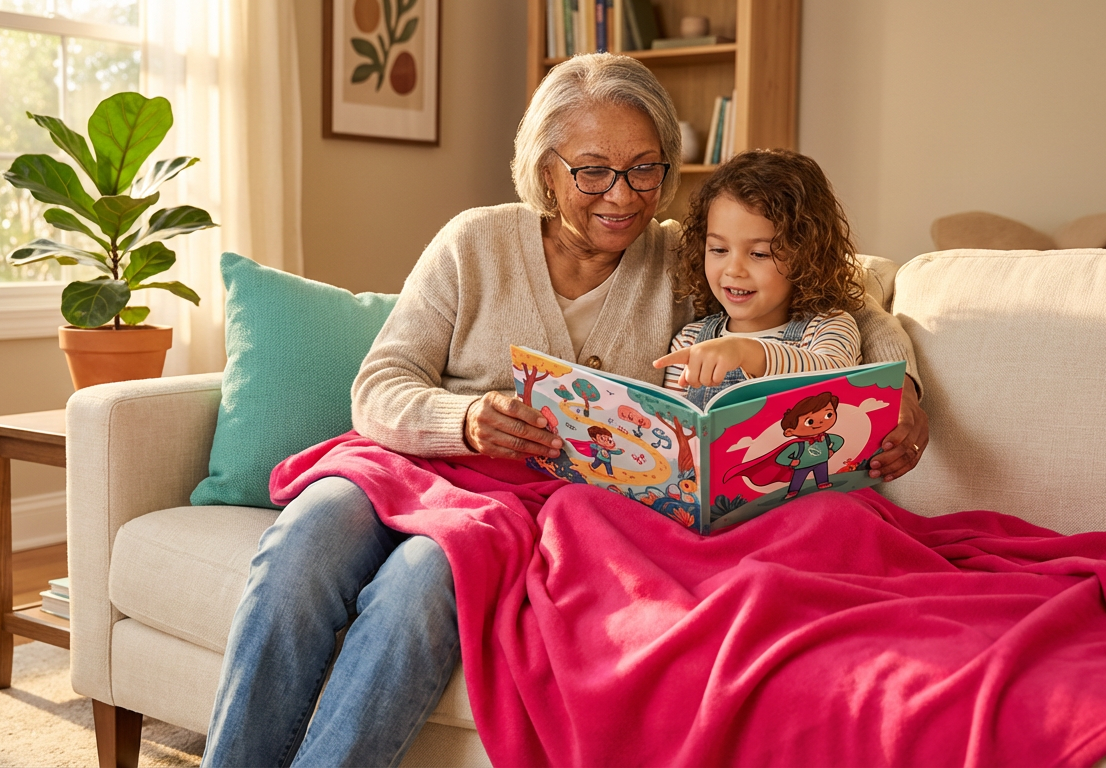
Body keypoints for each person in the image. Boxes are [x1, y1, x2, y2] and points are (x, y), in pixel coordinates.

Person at [202, 53, 929, 768]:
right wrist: (463, 419)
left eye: (645, 169)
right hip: (408, 460)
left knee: (419, 585)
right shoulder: (474, 242)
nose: (621, 195)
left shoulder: (688, 258)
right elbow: (380, 385)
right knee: (302, 546)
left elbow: (852, 302)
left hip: (519, 501)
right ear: (544, 169)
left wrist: (909, 395)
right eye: (593, 171)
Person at [653, 148, 867, 409]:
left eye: (759, 254)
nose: (734, 270)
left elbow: (833, 379)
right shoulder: (690, 341)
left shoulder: (827, 328)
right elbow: (675, 426)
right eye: (719, 250)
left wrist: (743, 353)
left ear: (807, 256)